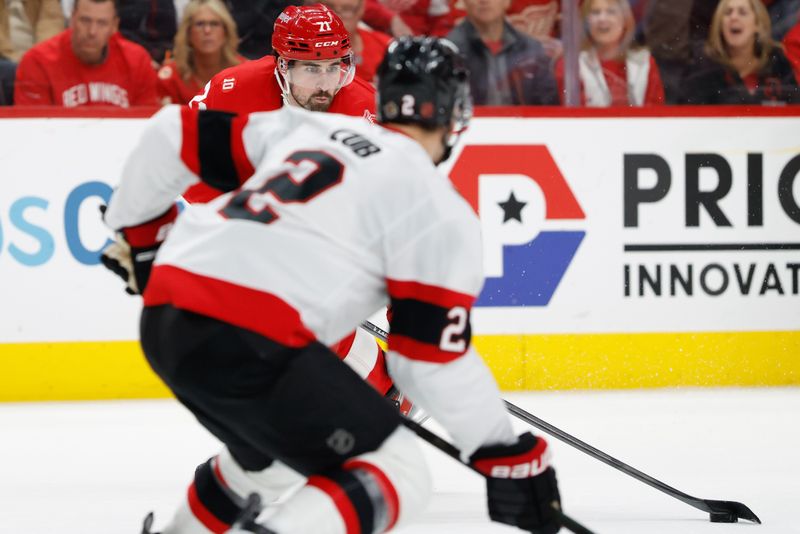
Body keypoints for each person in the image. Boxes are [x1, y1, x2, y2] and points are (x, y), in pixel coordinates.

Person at [101, 36, 562, 534]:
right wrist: (504, 451)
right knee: (398, 473)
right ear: (456, 114)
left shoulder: (309, 132)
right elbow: (426, 363)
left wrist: (144, 240)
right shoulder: (439, 209)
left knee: (270, 460)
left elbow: (170, 134)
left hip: (167, 315)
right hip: (250, 336)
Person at [14, 0, 159, 107]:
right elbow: (33, 132)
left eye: (102, 23)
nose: (92, 32)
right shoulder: (37, 62)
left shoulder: (138, 61)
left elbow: (147, 129)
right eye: (85, 20)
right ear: (72, 19)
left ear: (114, 26)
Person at [681, 0, 800, 104]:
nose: (734, 17)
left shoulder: (777, 62)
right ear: (720, 24)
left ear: (758, 24)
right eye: (727, 13)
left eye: (742, 12)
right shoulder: (703, 68)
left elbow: (794, 108)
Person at [446, 0, 559, 105]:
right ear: (464, 2)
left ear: (507, 2)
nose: (484, 1)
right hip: (471, 125)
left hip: (525, 125)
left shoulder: (530, 49)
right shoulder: (450, 52)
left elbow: (549, 109)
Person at [555, 0, 665, 106]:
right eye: (595, 12)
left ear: (625, 20)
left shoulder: (645, 62)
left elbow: (655, 114)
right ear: (586, 21)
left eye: (611, 12)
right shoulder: (571, 65)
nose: (602, 19)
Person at [157, 0, 242, 105]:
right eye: (200, 24)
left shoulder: (244, 72)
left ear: (226, 31)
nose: (207, 30)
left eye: (214, 24)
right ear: (188, 32)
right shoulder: (171, 77)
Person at [308, 0, 392, 84]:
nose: (336, 16)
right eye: (328, 8)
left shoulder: (386, 45)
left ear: (360, 10)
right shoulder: (303, 49)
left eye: (347, 9)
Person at [0, 0, 64, 105]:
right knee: (7, 71)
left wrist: (37, 59)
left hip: (38, 57)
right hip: (5, 56)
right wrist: (21, 62)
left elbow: (51, 21)